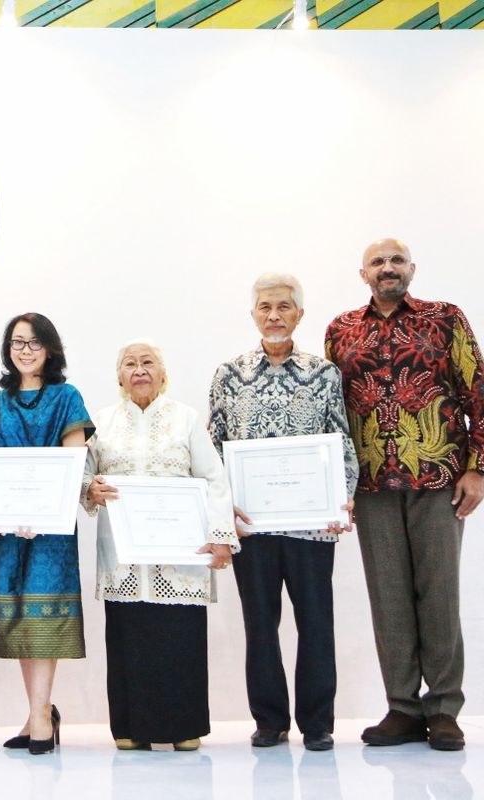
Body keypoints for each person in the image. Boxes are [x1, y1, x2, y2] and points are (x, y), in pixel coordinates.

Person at [326, 238, 484, 751]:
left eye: (396, 261)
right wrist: (332, 484)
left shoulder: (446, 319)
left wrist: (478, 469)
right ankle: (402, 707)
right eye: (378, 262)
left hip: (439, 478)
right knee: (388, 598)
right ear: (362, 273)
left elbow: (477, 392)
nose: (387, 268)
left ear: (412, 268)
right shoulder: (340, 331)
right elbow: (331, 414)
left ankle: (443, 709)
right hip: (371, 485)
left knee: (439, 595)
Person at [208, 273, 358, 752]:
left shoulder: (324, 373)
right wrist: (221, 509)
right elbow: (214, 450)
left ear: (299, 314)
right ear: (253, 313)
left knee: (316, 622)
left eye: (284, 307)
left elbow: (341, 444)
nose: (274, 315)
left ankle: (317, 723)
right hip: (251, 526)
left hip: (312, 525)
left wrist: (343, 496)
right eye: (265, 307)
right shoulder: (228, 374)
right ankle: (269, 720)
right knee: (260, 624)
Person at [83, 339, 236, 751]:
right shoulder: (102, 422)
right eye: (130, 363)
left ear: (163, 373)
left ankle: (183, 726)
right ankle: (130, 727)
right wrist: (90, 490)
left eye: (148, 362)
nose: (139, 370)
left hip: (180, 557)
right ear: (119, 376)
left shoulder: (185, 419)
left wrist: (221, 537)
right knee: (128, 637)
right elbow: (82, 476)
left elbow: (215, 478)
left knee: (178, 638)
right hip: (124, 558)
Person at [0, 313, 92, 755]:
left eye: (34, 343)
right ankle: (37, 709)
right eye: (17, 342)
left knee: (45, 619)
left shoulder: (66, 397)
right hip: (8, 529)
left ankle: (42, 715)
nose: (24, 350)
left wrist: (42, 509)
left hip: (52, 532)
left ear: (50, 349)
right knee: (19, 617)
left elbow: (74, 461)